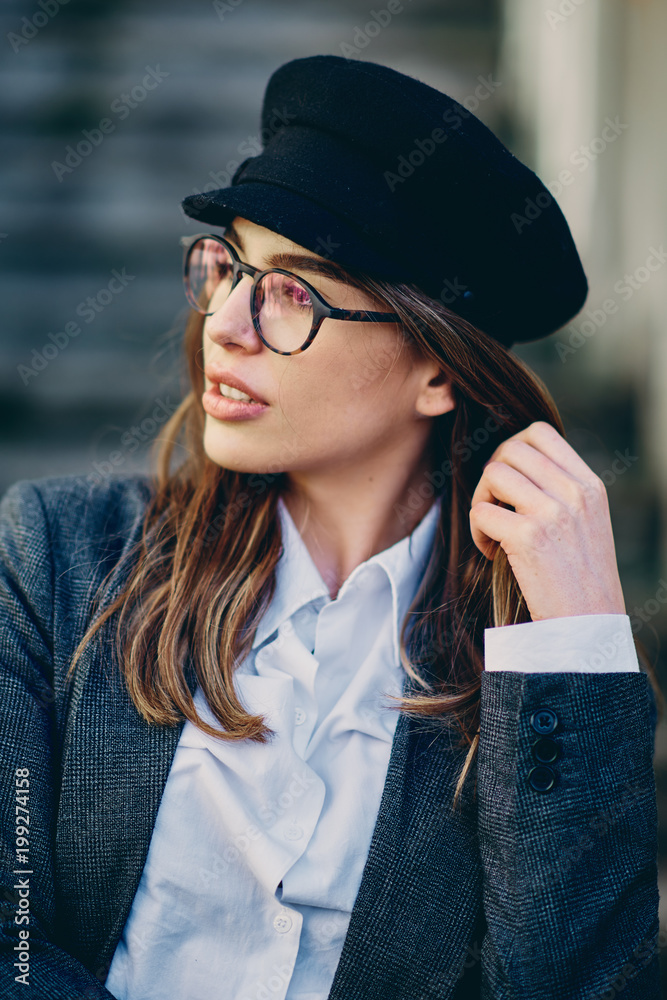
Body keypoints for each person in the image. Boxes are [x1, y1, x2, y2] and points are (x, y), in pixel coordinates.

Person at [0, 54, 661, 1000]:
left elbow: (579, 982)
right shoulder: (55, 560)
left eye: (293, 292)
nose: (224, 324)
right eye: (228, 266)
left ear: (437, 370)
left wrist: (579, 640)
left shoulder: (509, 663)